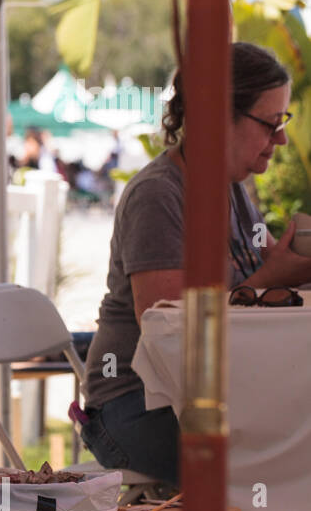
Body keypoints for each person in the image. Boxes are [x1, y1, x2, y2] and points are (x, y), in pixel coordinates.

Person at [81, 42, 311, 486]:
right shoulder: (158, 196)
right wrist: (271, 281)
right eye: (270, 123)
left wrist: (287, 277)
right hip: (135, 406)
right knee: (282, 459)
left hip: (201, 399)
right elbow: (169, 331)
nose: (280, 138)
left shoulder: (233, 190)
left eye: (283, 122)